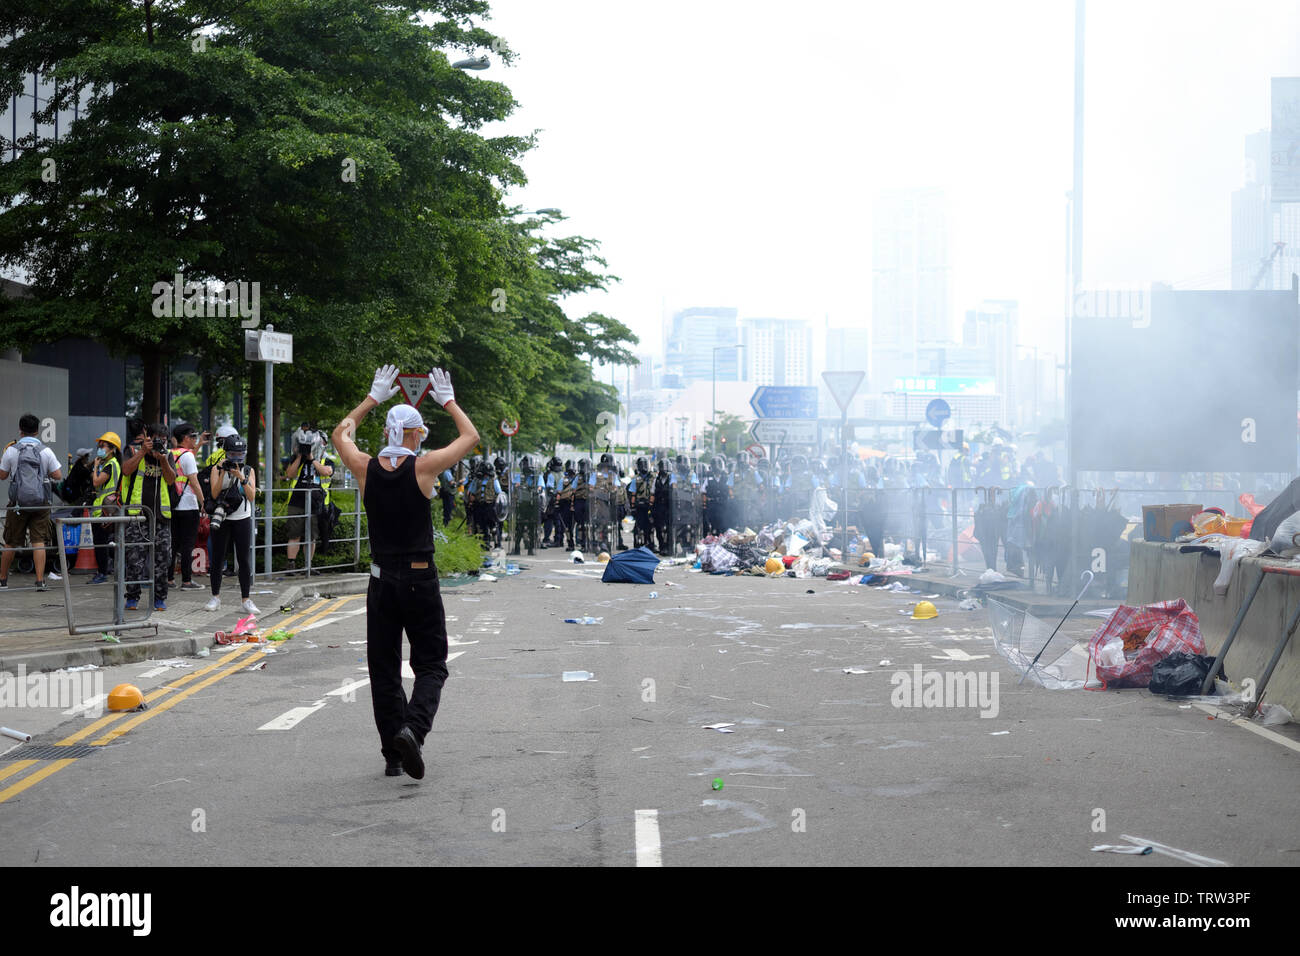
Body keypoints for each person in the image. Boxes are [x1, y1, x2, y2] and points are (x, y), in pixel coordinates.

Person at [331, 364, 478, 779]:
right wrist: (448, 400)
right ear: (414, 435)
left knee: (384, 667)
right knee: (431, 665)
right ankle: (413, 730)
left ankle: (392, 755)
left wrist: (372, 398)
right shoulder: (424, 467)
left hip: (380, 582)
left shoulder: (365, 467)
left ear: (385, 434)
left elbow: (339, 434)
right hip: (419, 579)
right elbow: (471, 437)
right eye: (420, 433)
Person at [0, 413, 64, 590]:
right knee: (38, 542)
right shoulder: (45, 451)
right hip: (40, 504)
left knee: (10, 542)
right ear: (37, 431)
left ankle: (2, 580)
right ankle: (39, 581)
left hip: (17, 504)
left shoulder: (12, 450)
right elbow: (58, 475)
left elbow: (2, 475)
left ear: (20, 430)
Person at [119, 422, 176, 610]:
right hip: (138, 516)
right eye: (158, 440)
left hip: (161, 517)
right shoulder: (134, 451)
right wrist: (143, 452)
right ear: (148, 438)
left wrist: (163, 460)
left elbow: (171, 479)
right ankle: (132, 598)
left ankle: (159, 598)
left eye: (165, 441)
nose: (162, 444)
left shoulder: (167, 455)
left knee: (163, 560)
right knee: (135, 559)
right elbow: (126, 470)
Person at [203, 435, 258, 614]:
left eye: (240, 454)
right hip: (222, 519)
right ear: (226, 453)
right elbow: (214, 492)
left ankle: (246, 599)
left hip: (242, 518)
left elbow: (251, 496)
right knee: (218, 558)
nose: (237, 458)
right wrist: (223, 473)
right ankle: (215, 597)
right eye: (233, 454)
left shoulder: (249, 470)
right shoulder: (217, 469)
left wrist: (241, 477)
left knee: (243, 559)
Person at [284, 424, 335, 571]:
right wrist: (300, 456)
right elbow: (290, 474)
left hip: (315, 502)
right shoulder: (296, 458)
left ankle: (308, 566)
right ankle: (291, 564)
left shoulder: (327, 460)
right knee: (294, 534)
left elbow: (326, 472)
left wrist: (312, 459)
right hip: (297, 501)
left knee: (311, 536)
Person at [169, 423, 207, 590]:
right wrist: (204, 502)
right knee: (188, 545)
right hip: (188, 506)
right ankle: (186, 581)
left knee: (172, 544)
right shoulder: (188, 456)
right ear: (185, 438)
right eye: (193, 437)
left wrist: (198, 446)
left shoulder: (171, 454)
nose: (194, 439)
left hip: (172, 505)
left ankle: (169, 579)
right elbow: (194, 482)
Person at [89, 431, 123, 584]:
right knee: (105, 542)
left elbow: (96, 482)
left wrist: (95, 467)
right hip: (104, 509)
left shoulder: (110, 465)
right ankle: (106, 570)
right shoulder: (109, 463)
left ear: (112, 448)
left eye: (103, 446)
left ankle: (102, 573)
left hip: (105, 510)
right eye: (99, 446)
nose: (100, 449)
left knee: (101, 543)